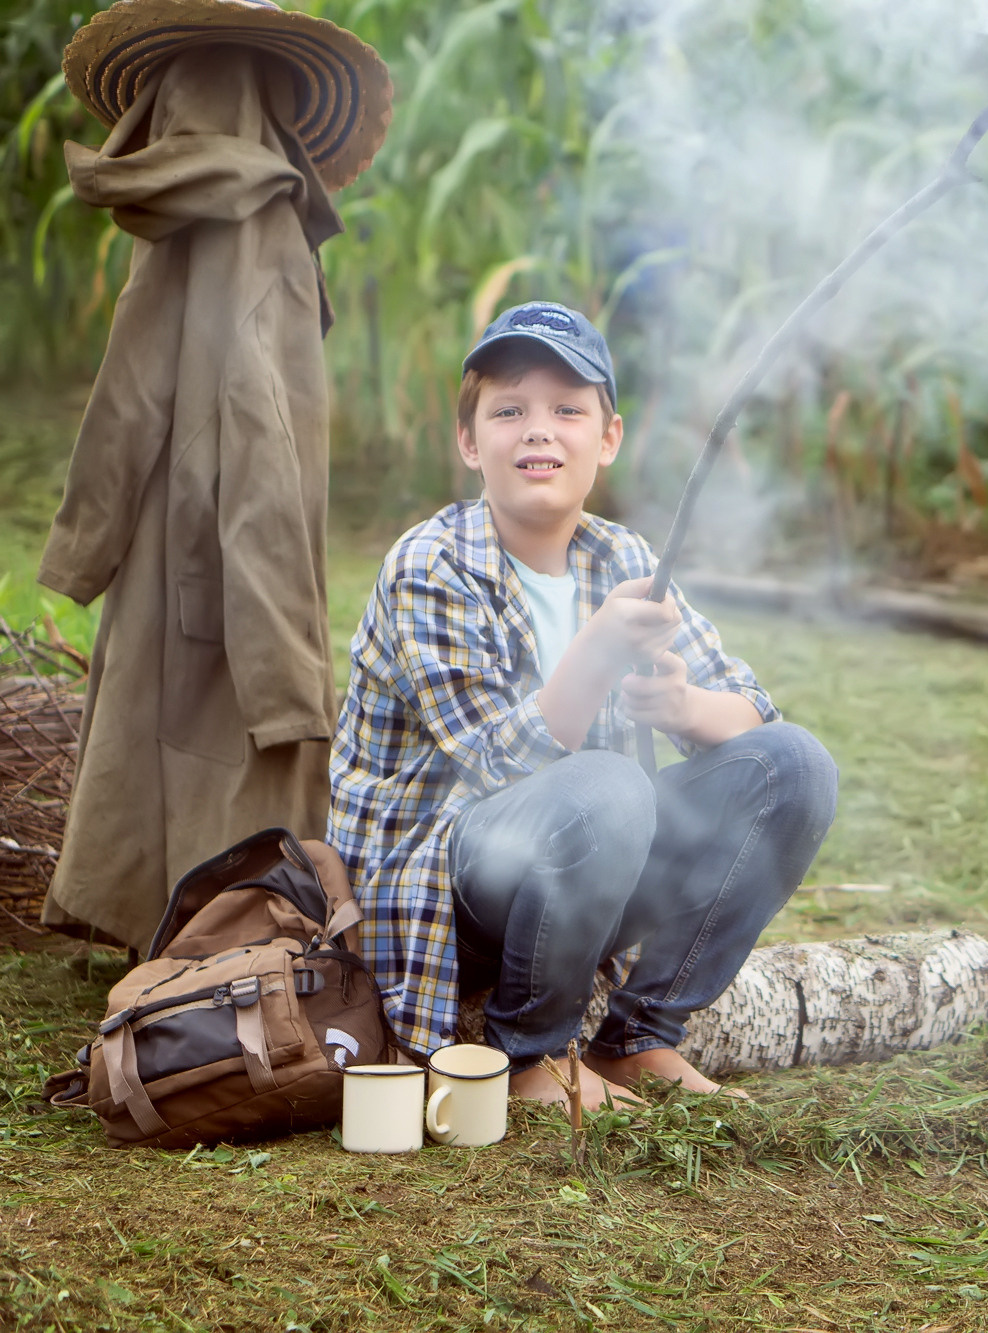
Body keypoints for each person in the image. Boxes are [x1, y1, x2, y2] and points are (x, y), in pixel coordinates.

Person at [328, 302, 837, 1107]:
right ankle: (527, 1052)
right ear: (469, 442)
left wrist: (682, 705)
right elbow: (498, 764)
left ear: (607, 439)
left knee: (794, 766)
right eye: (509, 410)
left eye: (568, 410)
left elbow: (751, 711)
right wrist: (597, 649)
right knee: (606, 783)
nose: (540, 430)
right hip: (446, 889)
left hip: (585, 871)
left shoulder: (621, 556)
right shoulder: (433, 564)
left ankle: (641, 1036)